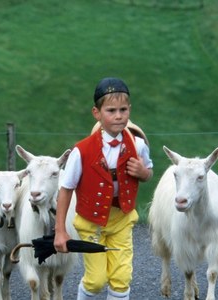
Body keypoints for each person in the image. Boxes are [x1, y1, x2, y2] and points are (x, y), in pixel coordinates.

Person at [53, 77, 153, 300]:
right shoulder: (81, 151)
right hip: (91, 223)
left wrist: (143, 173)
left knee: (121, 278)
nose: (118, 116)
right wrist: (60, 230)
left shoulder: (137, 145)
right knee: (96, 280)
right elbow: (66, 189)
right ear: (97, 113)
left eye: (123, 109)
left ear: (129, 110)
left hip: (122, 220)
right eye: (111, 110)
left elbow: (149, 171)